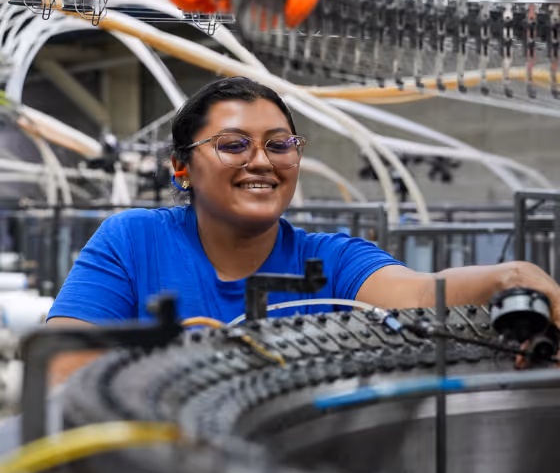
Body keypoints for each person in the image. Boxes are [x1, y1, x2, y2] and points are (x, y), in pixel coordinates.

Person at [48, 77, 560, 376]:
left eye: (279, 144)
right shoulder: (132, 241)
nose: (262, 161)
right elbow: (60, 367)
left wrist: (507, 277)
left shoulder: (332, 261)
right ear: (182, 167)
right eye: (232, 145)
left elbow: (422, 294)